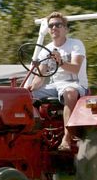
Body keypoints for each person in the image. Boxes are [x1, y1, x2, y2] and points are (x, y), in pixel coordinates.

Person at [26, 11, 88, 151]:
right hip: (55, 86)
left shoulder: (75, 45)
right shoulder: (46, 49)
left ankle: (67, 138)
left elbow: (76, 68)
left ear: (65, 29)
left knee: (70, 93)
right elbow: (40, 77)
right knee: (24, 95)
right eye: (51, 25)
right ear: (48, 30)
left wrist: (60, 62)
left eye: (58, 25)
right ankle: (32, 134)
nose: (54, 27)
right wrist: (31, 87)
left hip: (75, 84)